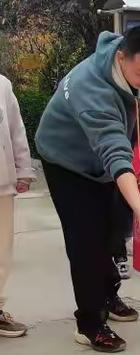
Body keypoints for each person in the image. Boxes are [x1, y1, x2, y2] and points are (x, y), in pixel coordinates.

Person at [35, 25, 140, 353]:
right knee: (86, 240)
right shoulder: (88, 86)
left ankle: (108, 294)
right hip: (68, 162)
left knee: (115, 231)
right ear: (121, 57)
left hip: (110, 161)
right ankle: (90, 323)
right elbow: (114, 153)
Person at [0, 75, 36, 338]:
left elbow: (15, 130)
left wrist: (23, 170)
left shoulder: (2, 85)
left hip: (0, 184)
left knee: (1, 253)